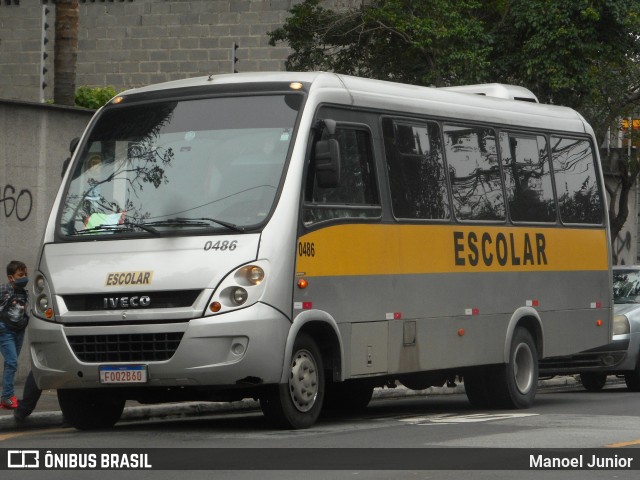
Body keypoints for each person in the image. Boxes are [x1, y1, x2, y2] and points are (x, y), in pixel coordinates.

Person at [0, 260, 30, 410]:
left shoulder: (25, 293)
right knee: (12, 362)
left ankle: (7, 396)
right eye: (21, 275)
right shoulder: (4, 289)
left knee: (11, 363)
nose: (24, 277)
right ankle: (6, 397)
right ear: (11, 277)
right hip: (5, 330)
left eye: (25, 274)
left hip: (19, 331)